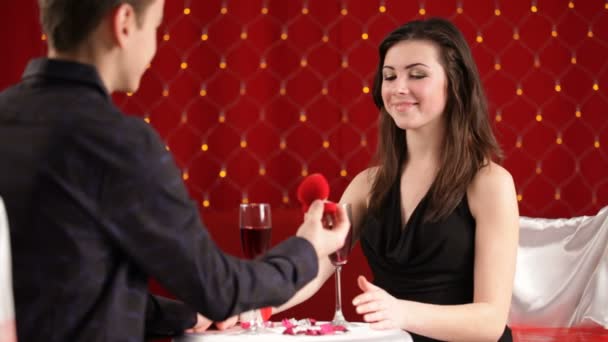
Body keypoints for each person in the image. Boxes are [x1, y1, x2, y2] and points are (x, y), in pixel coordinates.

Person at [0, 0, 350, 341]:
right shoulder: (118, 141)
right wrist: (308, 246)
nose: (153, 46)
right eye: (154, 26)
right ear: (124, 23)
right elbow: (221, 289)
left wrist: (184, 315)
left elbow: (67, 289)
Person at [224, 18, 519, 342]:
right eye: (390, 76)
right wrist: (254, 305)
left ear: (456, 83)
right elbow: (316, 268)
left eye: (417, 74)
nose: (398, 87)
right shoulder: (368, 185)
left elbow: (490, 321)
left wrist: (402, 312)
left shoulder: (490, 183)